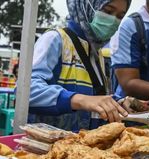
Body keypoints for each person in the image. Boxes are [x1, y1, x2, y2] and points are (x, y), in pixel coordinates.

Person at [28, 0, 131, 131]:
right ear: (86, 5)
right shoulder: (55, 39)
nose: (113, 21)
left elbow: (96, 100)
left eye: (120, 16)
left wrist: (117, 103)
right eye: (108, 11)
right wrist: (80, 100)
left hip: (81, 148)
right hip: (48, 147)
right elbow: (27, 91)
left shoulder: (97, 53)